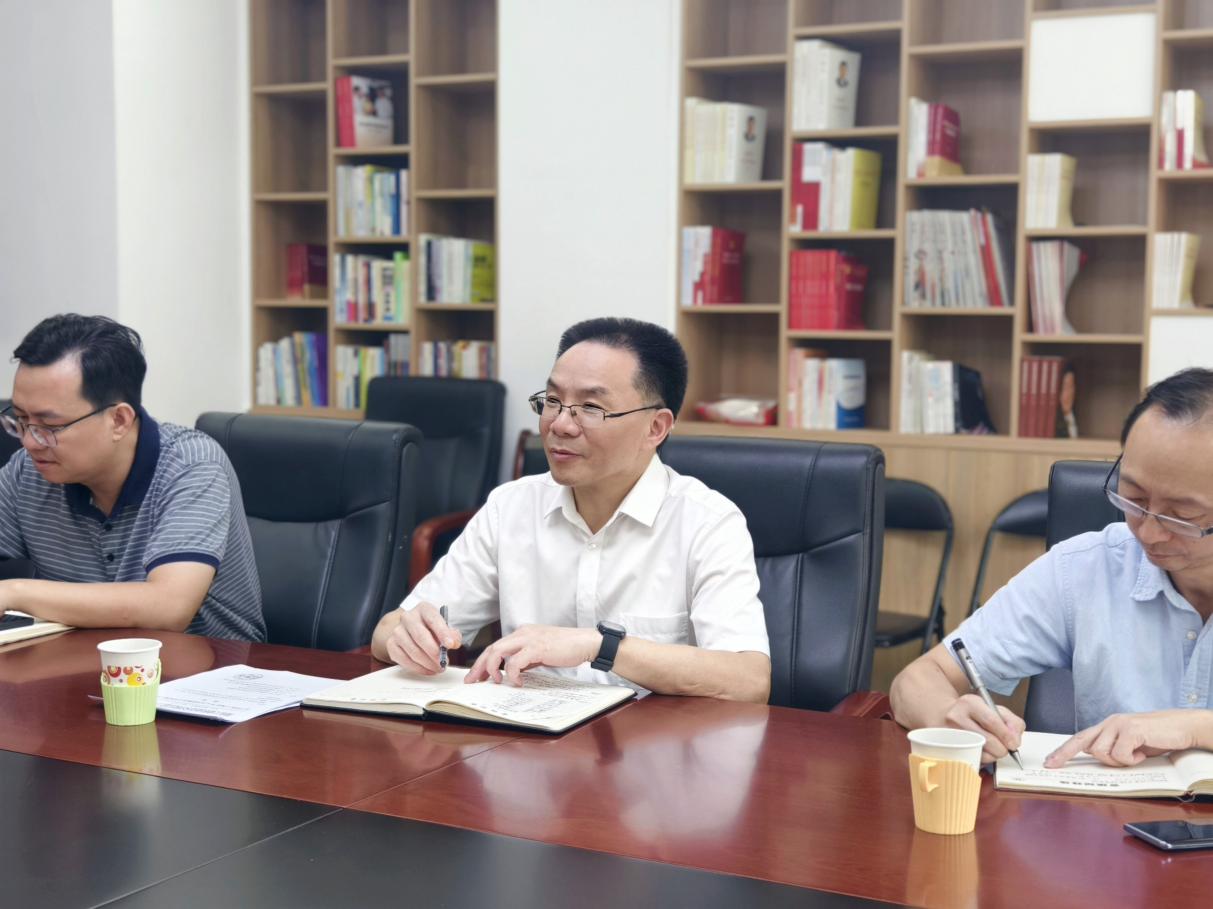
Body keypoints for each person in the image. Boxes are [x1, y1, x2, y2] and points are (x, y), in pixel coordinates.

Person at [371, 317, 771, 702]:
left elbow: (749, 681)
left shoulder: (707, 522)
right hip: (526, 736)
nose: (561, 424)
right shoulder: (511, 507)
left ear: (656, 428)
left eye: (591, 407)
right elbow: (387, 632)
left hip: (648, 742)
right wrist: (409, 638)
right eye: (553, 401)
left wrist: (600, 646)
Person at [891, 367, 1213, 768]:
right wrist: (948, 717)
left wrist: (1196, 728)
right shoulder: (1085, 569)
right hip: (1108, 809)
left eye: (1180, 516)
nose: (1147, 532)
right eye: (1134, 498)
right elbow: (916, 681)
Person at [0, 314, 265, 641]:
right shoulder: (28, 471)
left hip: (207, 664)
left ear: (119, 420)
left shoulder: (191, 464)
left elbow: (168, 608)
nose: (29, 441)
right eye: (20, 419)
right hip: (81, 661)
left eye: (50, 426)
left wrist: (14, 592)